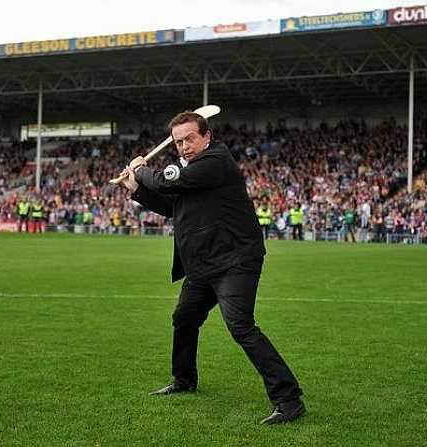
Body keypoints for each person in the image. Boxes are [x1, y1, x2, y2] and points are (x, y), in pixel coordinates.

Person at [118, 111, 305, 425]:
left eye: (190, 138)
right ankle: (184, 379)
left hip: (235, 260)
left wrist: (141, 168)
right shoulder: (191, 171)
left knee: (241, 327)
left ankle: (289, 400)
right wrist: (135, 188)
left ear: (207, 136)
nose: (184, 146)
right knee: (184, 318)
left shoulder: (216, 162)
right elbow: (171, 205)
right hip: (203, 265)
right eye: (179, 142)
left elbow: (165, 180)